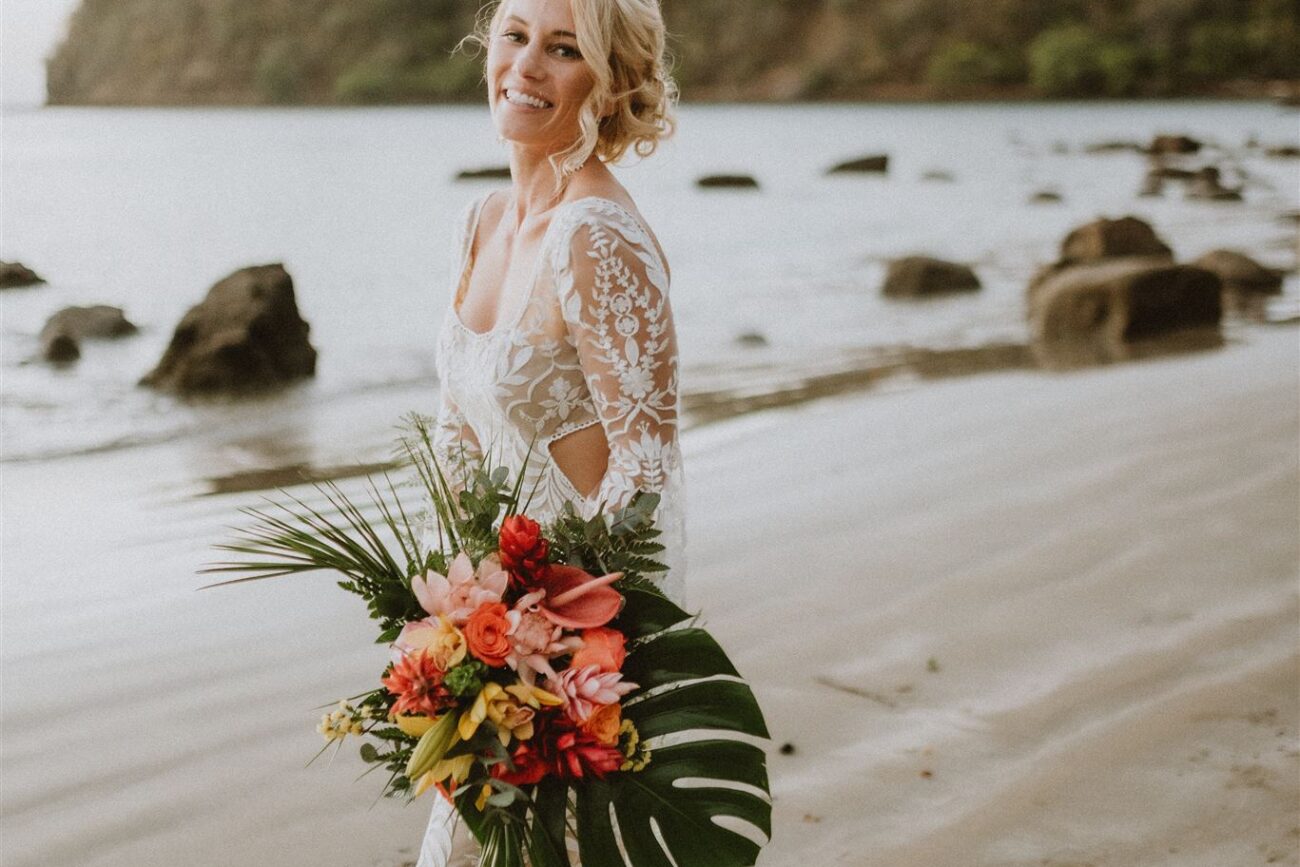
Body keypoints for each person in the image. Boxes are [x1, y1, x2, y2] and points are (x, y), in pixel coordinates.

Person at [417, 0, 684, 862]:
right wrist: (452, 616)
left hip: (571, 652)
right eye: (515, 36)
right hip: (490, 640)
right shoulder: (481, 220)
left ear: (609, 89)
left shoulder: (595, 232)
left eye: (563, 49)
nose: (527, 65)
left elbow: (645, 467)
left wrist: (559, 647)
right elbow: (459, 433)